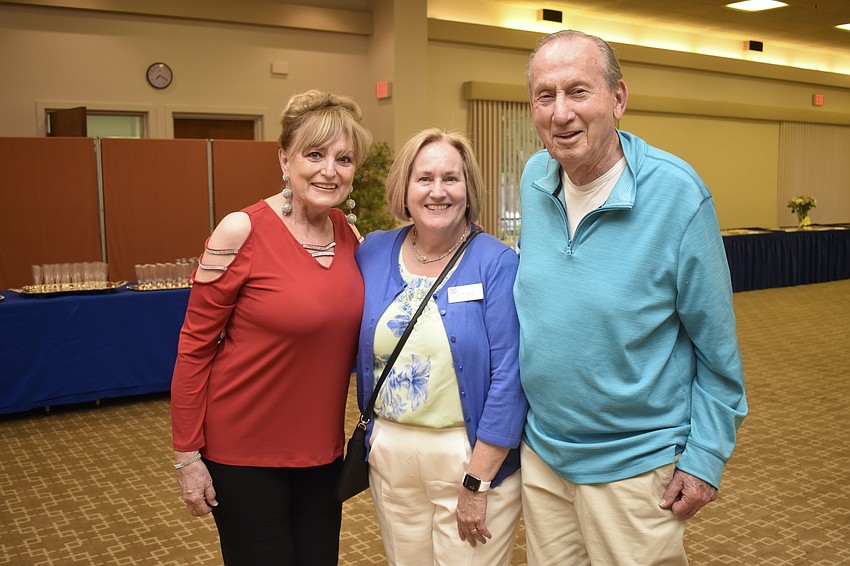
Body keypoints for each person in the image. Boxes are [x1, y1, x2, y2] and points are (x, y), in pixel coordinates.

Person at [515, 30, 748, 565]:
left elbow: (718, 349)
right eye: (544, 96)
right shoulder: (535, 177)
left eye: (578, 92)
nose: (560, 113)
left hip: (635, 466)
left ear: (618, 99)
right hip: (545, 454)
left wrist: (706, 457)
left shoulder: (677, 195)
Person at [170, 89, 372, 565]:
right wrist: (186, 456)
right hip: (243, 452)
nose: (330, 169)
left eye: (344, 158)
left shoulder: (348, 233)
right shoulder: (240, 230)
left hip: (322, 453)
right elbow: (194, 348)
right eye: (314, 154)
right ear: (285, 159)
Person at [354, 128, 527, 565]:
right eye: (424, 178)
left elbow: (512, 375)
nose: (438, 191)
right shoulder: (373, 251)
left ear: (468, 189)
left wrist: (478, 480)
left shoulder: (496, 263)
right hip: (390, 450)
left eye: (451, 179)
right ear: (404, 189)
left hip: (467, 455)